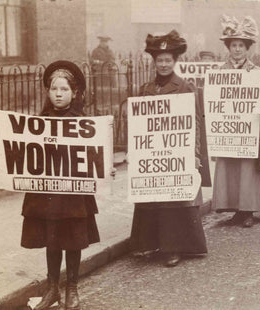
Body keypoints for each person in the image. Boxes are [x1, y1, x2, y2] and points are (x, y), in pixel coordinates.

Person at [17, 61, 110, 310]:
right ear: (48, 92)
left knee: (73, 240)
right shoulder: (39, 121)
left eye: (64, 89)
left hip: (73, 195)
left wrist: (105, 165)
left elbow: (94, 155)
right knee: (52, 240)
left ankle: (72, 288)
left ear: (74, 93)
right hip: (47, 193)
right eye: (54, 89)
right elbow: (25, 152)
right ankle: (52, 288)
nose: (58, 94)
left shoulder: (82, 123)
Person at [130, 30, 207, 267]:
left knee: (174, 201)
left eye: (167, 60)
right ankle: (150, 243)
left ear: (175, 62)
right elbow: (139, 125)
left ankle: (174, 248)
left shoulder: (185, 87)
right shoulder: (145, 89)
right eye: (159, 60)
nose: (163, 64)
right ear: (154, 62)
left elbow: (193, 122)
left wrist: (194, 154)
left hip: (177, 153)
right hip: (153, 153)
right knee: (152, 196)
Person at [212, 15, 260, 228]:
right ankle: (235, 209)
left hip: (249, 128)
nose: (237, 49)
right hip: (229, 129)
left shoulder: (257, 73)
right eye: (233, 45)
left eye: (241, 45)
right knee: (231, 169)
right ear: (228, 47)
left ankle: (248, 210)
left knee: (247, 171)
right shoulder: (220, 73)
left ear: (247, 48)